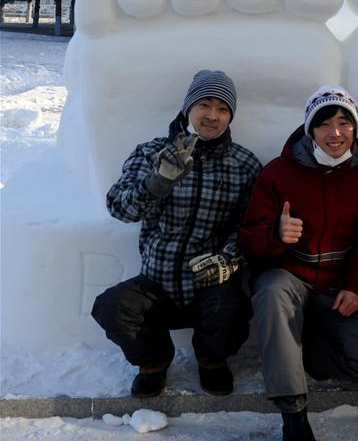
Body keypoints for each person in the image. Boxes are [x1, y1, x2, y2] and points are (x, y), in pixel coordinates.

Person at [237, 86, 358, 441]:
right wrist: (276, 236)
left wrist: (356, 285)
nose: (335, 133)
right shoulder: (279, 173)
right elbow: (247, 239)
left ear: (355, 129)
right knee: (272, 291)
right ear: (309, 129)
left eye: (344, 123)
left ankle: (305, 349)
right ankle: (293, 414)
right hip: (289, 278)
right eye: (324, 124)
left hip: (337, 286)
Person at [92, 70, 261, 398]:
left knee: (234, 307)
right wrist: (157, 182)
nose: (212, 115)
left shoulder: (244, 164)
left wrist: (228, 258)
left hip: (208, 281)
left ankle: (211, 360)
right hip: (158, 281)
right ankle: (153, 362)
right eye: (204, 105)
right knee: (113, 306)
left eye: (223, 109)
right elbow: (119, 207)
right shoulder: (151, 152)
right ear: (188, 109)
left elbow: (250, 225)